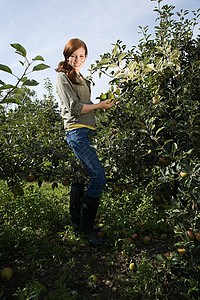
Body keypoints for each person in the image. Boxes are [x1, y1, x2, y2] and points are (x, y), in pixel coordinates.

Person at [56, 38, 115, 246]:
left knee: (80, 178)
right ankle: (87, 230)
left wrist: (102, 104)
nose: (77, 59)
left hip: (86, 132)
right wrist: (99, 106)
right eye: (74, 55)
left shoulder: (80, 77)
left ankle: (77, 223)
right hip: (76, 131)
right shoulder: (62, 77)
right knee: (98, 177)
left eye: (81, 56)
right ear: (67, 56)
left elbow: (86, 104)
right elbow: (74, 108)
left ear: (85, 57)